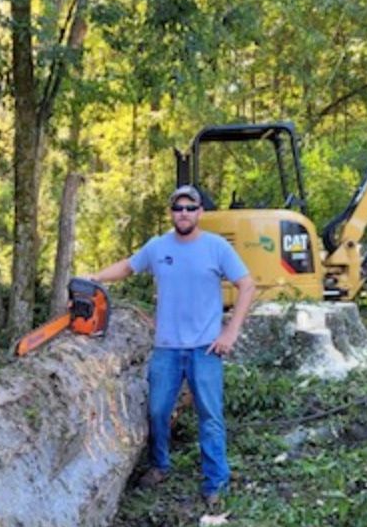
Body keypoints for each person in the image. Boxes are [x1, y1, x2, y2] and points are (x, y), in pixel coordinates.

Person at [86, 185, 256, 506]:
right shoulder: (158, 246)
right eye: (178, 208)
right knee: (157, 411)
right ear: (171, 213)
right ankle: (160, 465)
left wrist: (230, 332)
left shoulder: (216, 247)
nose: (184, 214)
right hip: (166, 347)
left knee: (210, 415)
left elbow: (247, 285)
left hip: (205, 349)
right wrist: (97, 278)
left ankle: (215, 482)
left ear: (200, 212)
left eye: (190, 208)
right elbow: (127, 266)